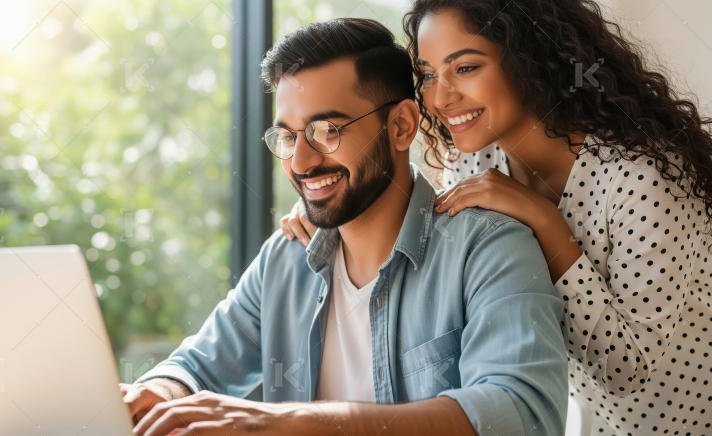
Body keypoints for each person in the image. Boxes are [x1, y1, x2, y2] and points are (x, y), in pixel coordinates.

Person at [121, 18, 568, 436]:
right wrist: (158, 393)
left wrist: (296, 424)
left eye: (326, 130)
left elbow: (521, 412)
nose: (301, 162)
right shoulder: (286, 258)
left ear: (401, 126)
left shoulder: (490, 248)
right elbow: (197, 367)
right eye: (289, 136)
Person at [281, 1, 712, 434]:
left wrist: (545, 223)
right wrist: (327, 198)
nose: (440, 96)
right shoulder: (475, 160)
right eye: (429, 74)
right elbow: (404, 199)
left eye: (465, 68)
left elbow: (626, 370)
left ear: (531, 60)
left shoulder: (641, 181)